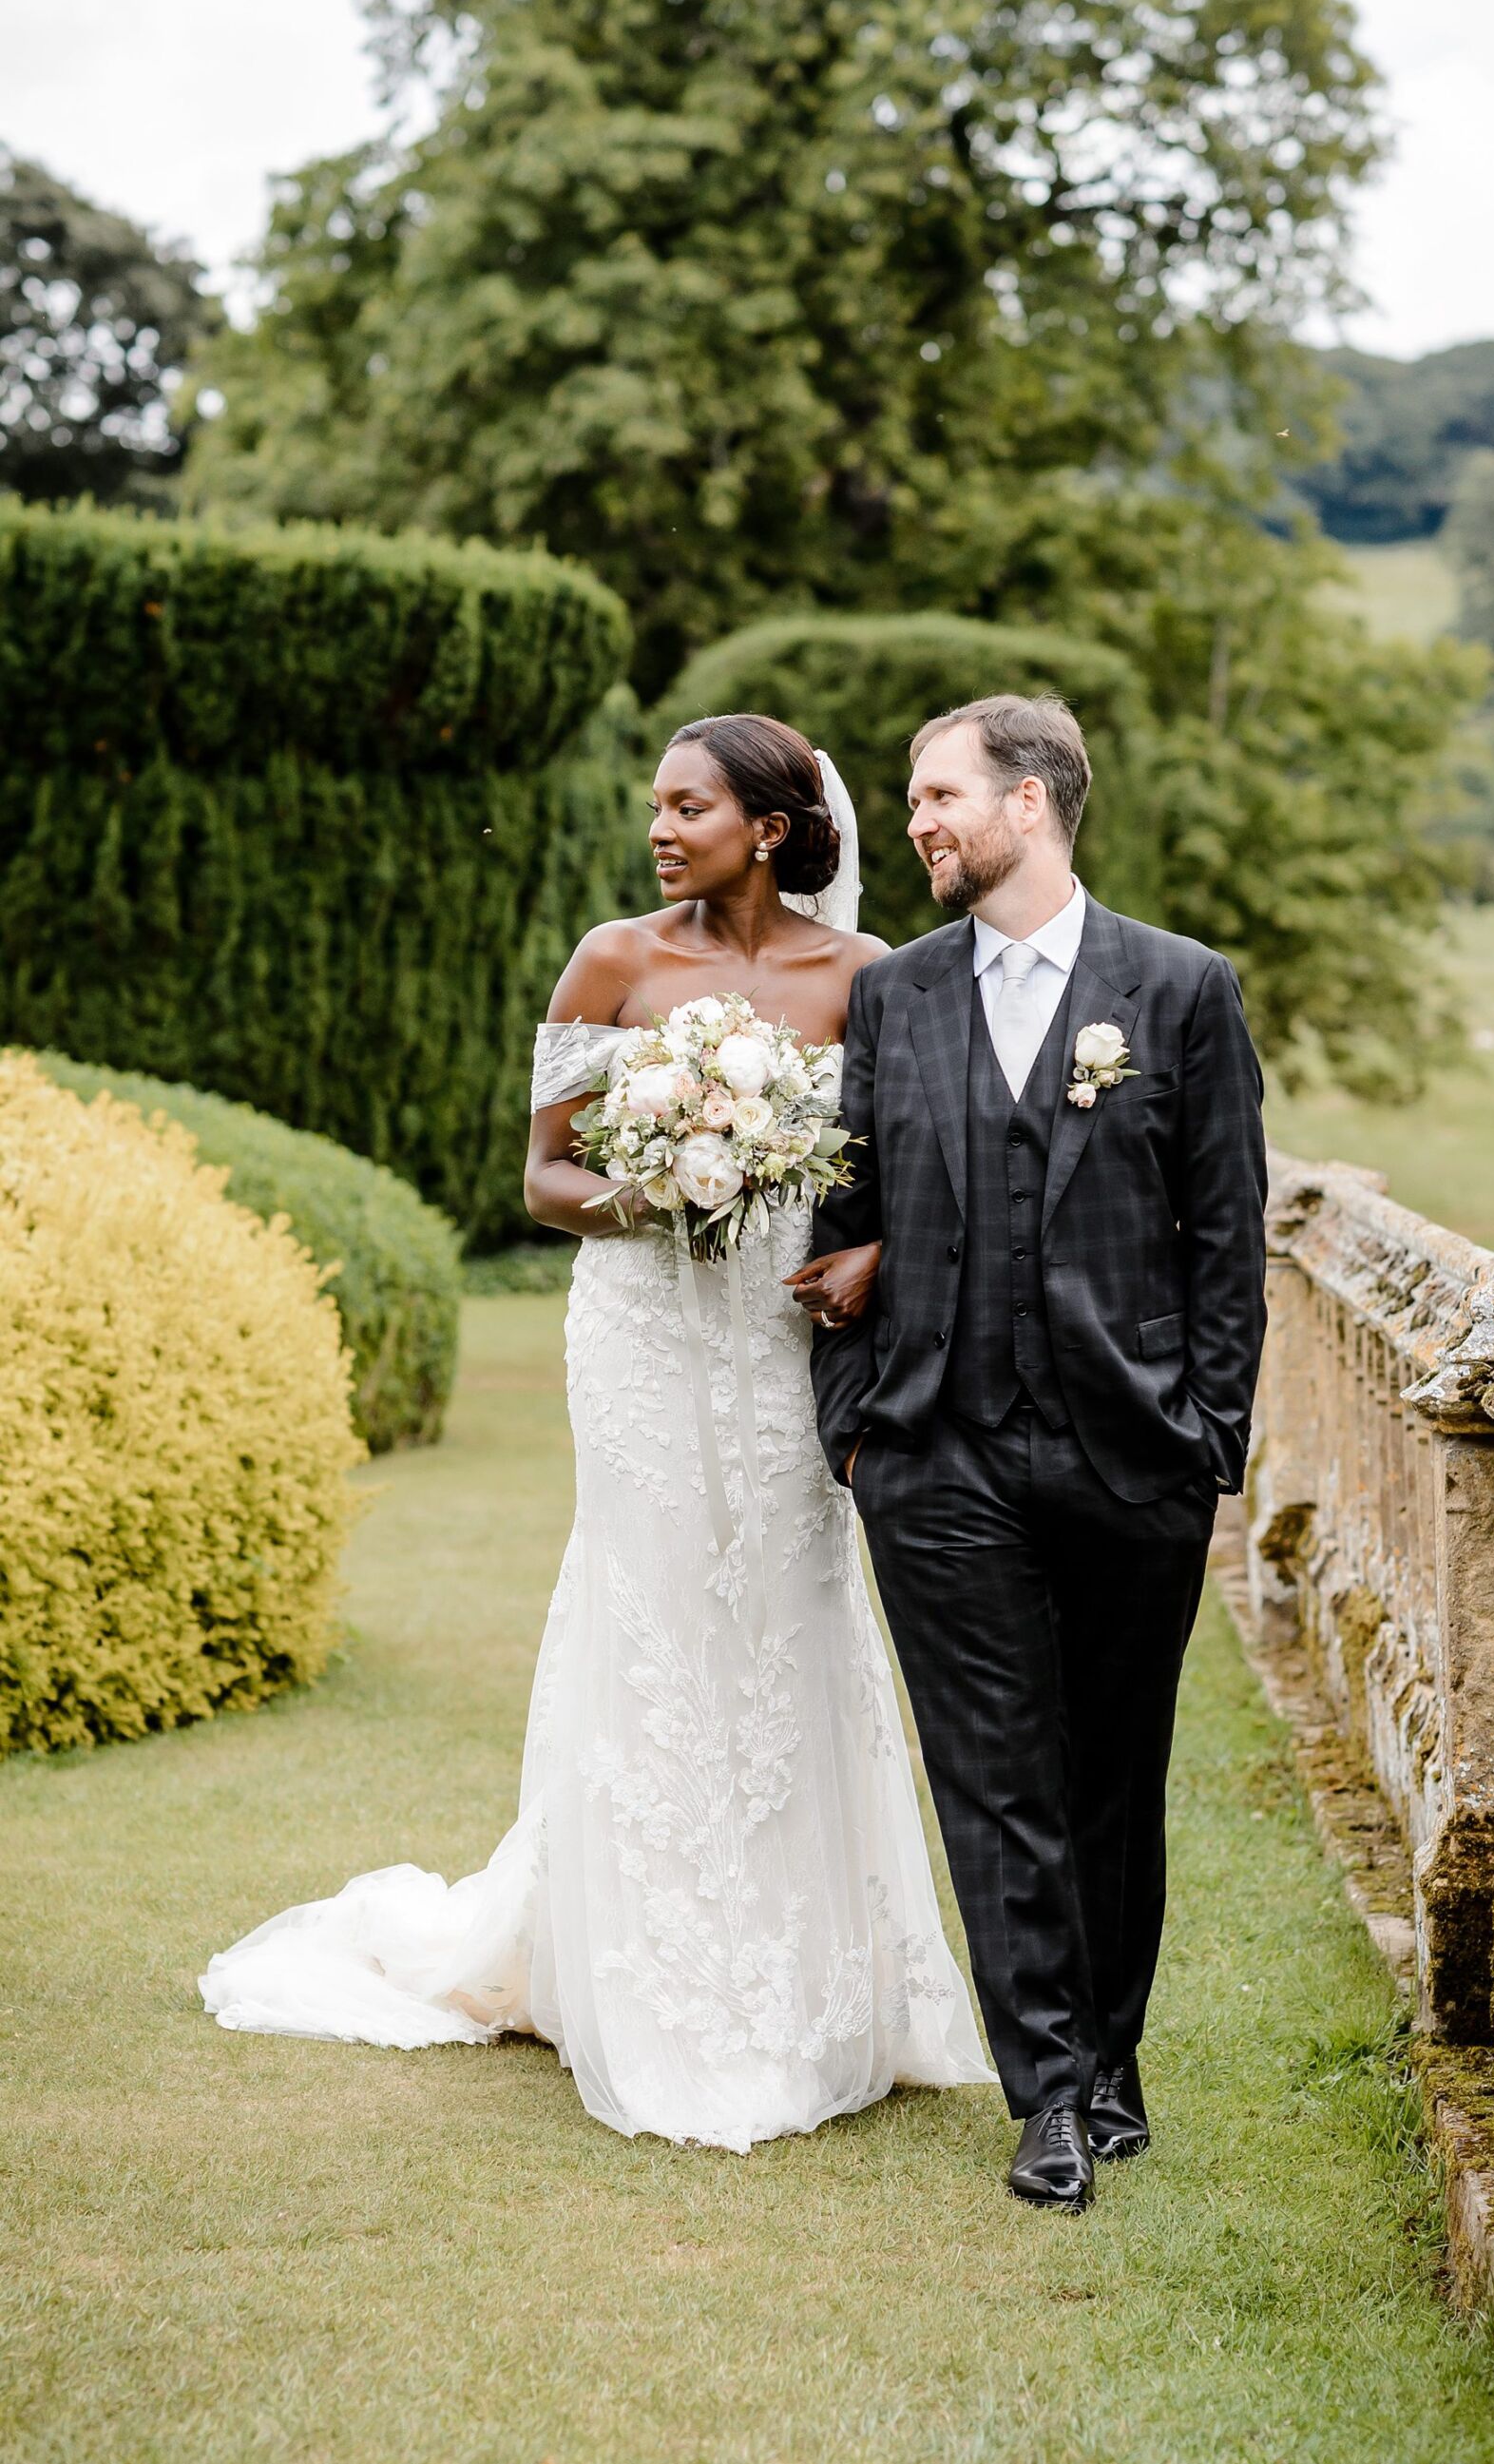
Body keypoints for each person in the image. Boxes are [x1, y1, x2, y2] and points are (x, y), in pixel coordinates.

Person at [201, 714, 994, 2153]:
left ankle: (821, 1981)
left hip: (778, 1338)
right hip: (637, 1330)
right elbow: (544, 1175)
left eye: (687, 806)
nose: (658, 827)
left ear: (769, 825)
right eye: (654, 805)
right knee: (651, 1609)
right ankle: (645, 1981)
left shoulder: (867, 978)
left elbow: (903, 1175)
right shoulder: (613, 960)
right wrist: (668, 1194)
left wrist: (865, 1253)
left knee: (786, 1609)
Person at [804, 693, 1267, 2212]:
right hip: (933, 1455)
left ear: (1033, 800)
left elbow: (1226, 1238)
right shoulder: (900, 996)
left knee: (1110, 1769)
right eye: (915, 797)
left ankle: (1112, 2051)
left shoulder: (1181, 990)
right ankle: (1051, 2091)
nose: (919, 819)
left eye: (941, 793)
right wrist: (856, 1421)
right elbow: (845, 1215)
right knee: (994, 1771)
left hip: (1133, 1453)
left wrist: (1207, 1437)